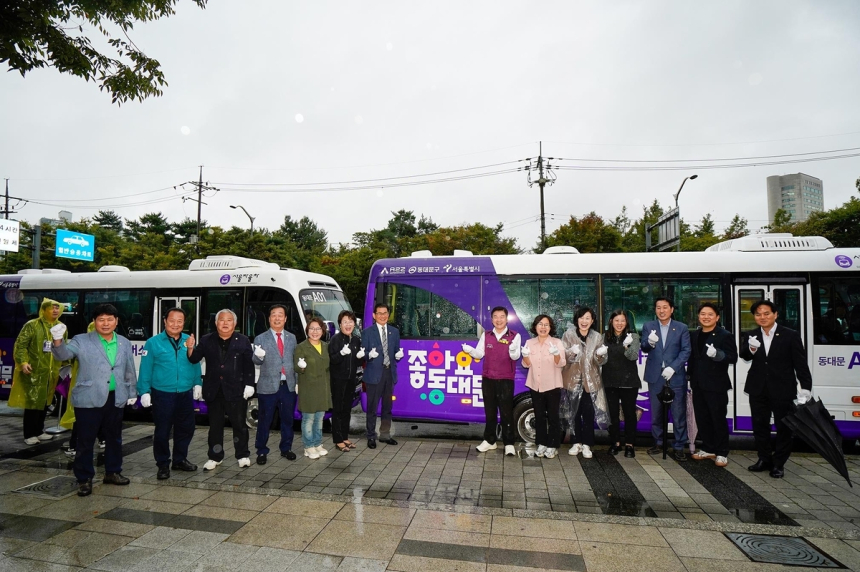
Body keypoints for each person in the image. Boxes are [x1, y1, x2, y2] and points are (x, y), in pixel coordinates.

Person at [50, 304, 137, 497]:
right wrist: (57, 339)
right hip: (89, 398)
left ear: (116, 321)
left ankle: (113, 472)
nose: (105, 323)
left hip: (115, 397)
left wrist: (131, 392)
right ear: (94, 322)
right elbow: (63, 355)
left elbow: (129, 369)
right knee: (85, 441)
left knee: (114, 438)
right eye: (101, 319)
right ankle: (84, 479)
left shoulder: (123, 342)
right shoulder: (81, 340)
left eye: (109, 319)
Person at [740, 299, 813, 478]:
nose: (762, 317)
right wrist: (751, 348)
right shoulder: (752, 334)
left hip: (783, 389)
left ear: (775, 315)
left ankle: (779, 464)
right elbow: (744, 356)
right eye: (758, 314)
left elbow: (800, 364)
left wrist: (806, 388)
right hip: (758, 388)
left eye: (766, 313)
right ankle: (764, 459)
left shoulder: (790, 335)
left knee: (784, 428)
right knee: (760, 426)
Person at [137, 308, 202, 480]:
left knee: (186, 429)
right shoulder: (153, 342)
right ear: (165, 321)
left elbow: (194, 363)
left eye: (180, 321)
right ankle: (163, 464)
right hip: (162, 394)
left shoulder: (189, 340)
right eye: (172, 320)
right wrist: (144, 391)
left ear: (184, 323)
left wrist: (197, 383)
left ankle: (180, 460)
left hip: (185, 394)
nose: (175, 324)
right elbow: (145, 369)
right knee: (162, 431)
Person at [187, 309, 255, 471]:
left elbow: (248, 365)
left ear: (235, 323)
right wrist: (190, 348)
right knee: (215, 426)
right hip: (214, 390)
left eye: (229, 320)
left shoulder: (243, 340)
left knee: (239, 424)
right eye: (222, 320)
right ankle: (215, 456)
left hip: (236, 390)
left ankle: (242, 454)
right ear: (216, 323)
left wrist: (249, 384)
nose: (225, 323)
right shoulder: (206, 340)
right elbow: (194, 358)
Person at [463, 306, 522, 456]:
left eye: (501, 316)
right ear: (492, 319)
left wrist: (513, 349)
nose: (498, 320)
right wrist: (470, 351)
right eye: (495, 317)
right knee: (490, 411)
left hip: (506, 379)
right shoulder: (486, 335)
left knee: (506, 412)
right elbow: (479, 354)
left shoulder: (514, 335)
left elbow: (515, 357)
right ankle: (490, 441)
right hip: (488, 378)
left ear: (506, 318)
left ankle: (509, 443)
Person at [641, 297, 692, 461]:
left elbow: (686, 351)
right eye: (658, 307)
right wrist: (650, 343)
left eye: (665, 307)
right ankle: (658, 443)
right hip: (655, 376)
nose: (661, 311)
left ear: (672, 309)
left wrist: (673, 367)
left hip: (675, 376)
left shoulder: (681, 328)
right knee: (656, 413)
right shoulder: (649, 326)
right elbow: (644, 347)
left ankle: (679, 446)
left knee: (678, 414)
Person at [688, 303, 738, 468]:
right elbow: (693, 359)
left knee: (718, 418)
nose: (706, 317)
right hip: (698, 384)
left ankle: (722, 452)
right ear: (698, 316)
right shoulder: (695, 335)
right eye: (703, 314)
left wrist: (718, 355)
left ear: (717, 317)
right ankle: (709, 448)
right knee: (702, 418)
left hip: (716, 385)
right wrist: (690, 378)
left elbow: (732, 357)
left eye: (710, 314)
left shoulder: (725, 335)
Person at [11, 298, 65, 445]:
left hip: (51, 372)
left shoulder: (61, 327)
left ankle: (39, 431)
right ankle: (29, 434)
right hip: (33, 371)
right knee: (33, 403)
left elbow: (63, 348)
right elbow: (20, 345)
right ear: (44, 309)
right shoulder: (32, 325)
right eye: (52, 307)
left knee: (45, 402)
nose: (55, 310)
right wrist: (23, 362)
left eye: (57, 307)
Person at [251, 304, 299, 464]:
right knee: (265, 420)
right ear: (269, 318)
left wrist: (297, 381)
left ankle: (286, 448)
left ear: (285, 319)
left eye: (280, 315)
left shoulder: (292, 338)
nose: (277, 318)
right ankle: (261, 451)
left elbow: (295, 361)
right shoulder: (260, 338)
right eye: (273, 315)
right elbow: (256, 360)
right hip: (268, 386)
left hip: (288, 386)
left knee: (287, 420)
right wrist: (258, 356)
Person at [561, 307, 609, 459]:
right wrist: (571, 353)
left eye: (587, 318)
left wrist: (600, 356)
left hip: (590, 382)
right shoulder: (568, 335)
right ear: (577, 319)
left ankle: (587, 444)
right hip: (571, 380)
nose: (584, 321)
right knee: (573, 413)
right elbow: (563, 357)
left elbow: (600, 360)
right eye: (581, 318)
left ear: (592, 320)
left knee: (588, 413)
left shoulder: (597, 337)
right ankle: (576, 442)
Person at [522, 314, 566, 459]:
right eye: (540, 324)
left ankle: (553, 445)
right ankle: (541, 443)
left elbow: (561, 363)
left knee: (553, 416)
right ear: (535, 326)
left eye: (546, 324)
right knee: (539, 416)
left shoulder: (557, 342)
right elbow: (526, 364)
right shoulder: (529, 342)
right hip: (535, 385)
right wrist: (525, 355)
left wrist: (556, 354)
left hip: (552, 385)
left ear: (551, 327)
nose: (543, 327)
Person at [361, 303, 404, 449]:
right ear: (374, 315)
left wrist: (398, 355)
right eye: (379, 313)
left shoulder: (394, 332)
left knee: (387, 407)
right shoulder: (367, 332)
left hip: (389, 373)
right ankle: (371, 436)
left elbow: (397, 350)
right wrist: (369, 355)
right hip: (373, 375)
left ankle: (385, 434)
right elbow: (363, 354)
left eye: (385, 313)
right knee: (372, 408)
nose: (383, 316)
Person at [602, 310, 641, 458]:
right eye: (616, 320)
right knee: (612, 415)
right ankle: (615, 442)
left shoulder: (634, 337)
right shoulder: (604, 337)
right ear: (611, 321)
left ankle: (630, 444)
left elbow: (633, 357)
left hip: (628, 382)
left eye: (622, 321)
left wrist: (626, 346)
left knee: (629, 414)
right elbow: (602, 361)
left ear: (626, 323)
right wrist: (600, 355)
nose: (619, 324)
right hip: (609, 381)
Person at [294, 317, 333, 459]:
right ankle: (308, 446)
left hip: (322, 388)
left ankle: (317, 443)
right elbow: (296, 368)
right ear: (307, 331)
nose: (315, 332)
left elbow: (329, 368)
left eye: (318, 329)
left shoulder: (325, 346)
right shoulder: (301, 347)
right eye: (312, 329)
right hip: (308, 389)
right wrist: (301, 367)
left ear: (322, 331)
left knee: (319, 419)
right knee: (308, 419)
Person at [328, 310, 363, 452]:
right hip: (338, 380)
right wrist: (341, 354)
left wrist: (364, 356)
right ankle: (337, 440)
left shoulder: (355, 340)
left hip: (350, 379)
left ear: (354, 324)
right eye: (345, 322)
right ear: (340, 324)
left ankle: (345, 436)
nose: (348, 325)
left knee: (347, 409)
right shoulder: (335, 340)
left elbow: (357, 360)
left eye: (350, 321)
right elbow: (332, 360)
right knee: (338, 409)